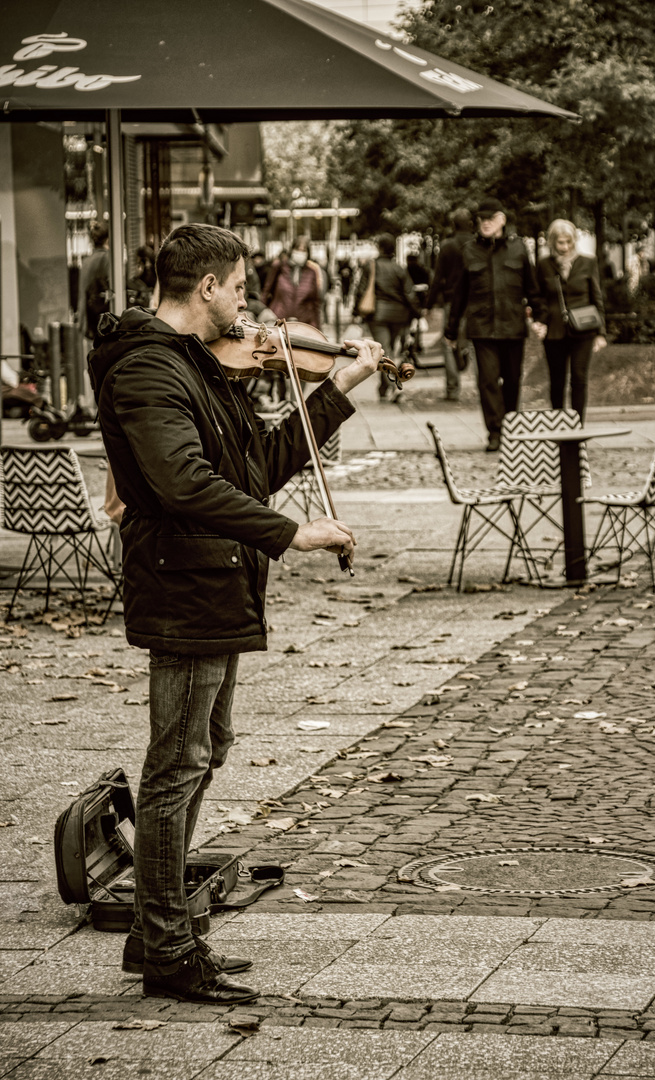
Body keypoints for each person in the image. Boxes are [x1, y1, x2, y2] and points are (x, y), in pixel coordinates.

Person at [88, 223, 384, 1005]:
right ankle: (168, 948)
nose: (252, 308)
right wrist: (292, 533)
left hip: (214, 583)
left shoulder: (195, 367)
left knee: (204, 750)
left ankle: (161, 932)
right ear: (207, 287)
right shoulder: (148, 368)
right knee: (176, 766)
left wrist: (335, 391)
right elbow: (183, 484)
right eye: (243, 289)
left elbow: (259, 466)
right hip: (183, 586)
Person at [446, 198, 545, 451]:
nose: (485, 223)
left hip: (512, 326)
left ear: (502, 220)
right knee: (488, 381)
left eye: (490, 219)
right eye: (481, 219)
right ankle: (495, 431)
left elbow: (531, 287)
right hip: (482, 327)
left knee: (512, 380)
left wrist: (540, 318)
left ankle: (511, 427)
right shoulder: (468, 250)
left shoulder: (519, 249)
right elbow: (459, 293)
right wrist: (452, 329)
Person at [535, 218, 606, 422]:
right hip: (554, 331)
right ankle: (559, 423)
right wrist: (539, 321)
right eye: (560, 242)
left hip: (583, 330)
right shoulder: (544, 265)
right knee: (557, 381)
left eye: (568, 242)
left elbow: (597, 297)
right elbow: (538, 297)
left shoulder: (588, 262)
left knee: (579, 378)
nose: (565, 247)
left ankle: (577, 423)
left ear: (574, 241)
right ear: (552, 242)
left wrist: (601, 333)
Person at [353, 233, 421, 399]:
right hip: (399, 315)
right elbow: (409, 293)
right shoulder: (399, 268)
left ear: (380, 248)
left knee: (384, 352)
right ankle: (384, 388)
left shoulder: (371, 266)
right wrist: (417, 312)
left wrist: (356, 312)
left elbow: (361, 290)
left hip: (378, 315)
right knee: (388, 349)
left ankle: (392, 387)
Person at [424, 209, 476, 401]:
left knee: (449, 342)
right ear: (471, 224)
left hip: (451, 300)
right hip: (474, 300)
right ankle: (483, 386)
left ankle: (453, 388)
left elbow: (437, 278)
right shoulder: (477, 244)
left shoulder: (447, 246)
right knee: (477, 341)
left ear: (453, 225)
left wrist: (428, 304)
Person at [262, 237, 324, 329]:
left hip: (303, 324)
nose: (300, 253)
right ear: (292, 250)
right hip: (278, 322)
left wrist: (316, 327)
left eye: (304, 250)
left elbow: (315, 302)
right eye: (298, 249)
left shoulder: (312, 271)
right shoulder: (279, 267)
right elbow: (266, 292)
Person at [78, 221, 110, 342]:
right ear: (107, 239)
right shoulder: (107, 259)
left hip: (86, 320)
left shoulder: (86, 261)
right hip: (99, 321)